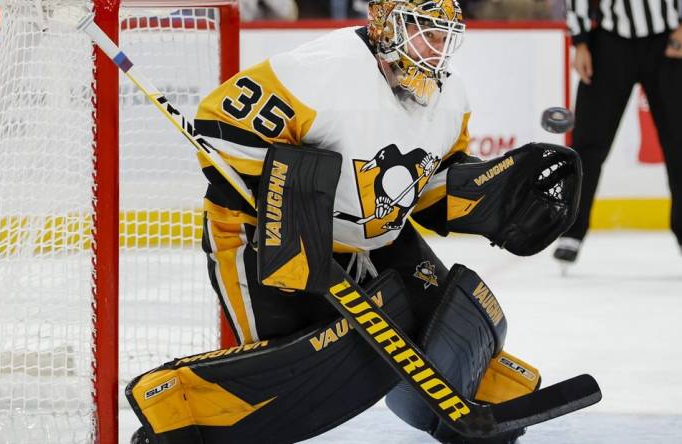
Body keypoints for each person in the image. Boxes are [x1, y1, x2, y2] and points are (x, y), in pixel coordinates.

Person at [127, 1, 584, 443]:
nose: (436, 49)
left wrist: (490, 196)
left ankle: (481, 400)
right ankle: (177, 410)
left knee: (456, 322)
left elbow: (425, 190)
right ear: (387, 26)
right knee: (300, 365)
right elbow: (218, 125)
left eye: (446, 37)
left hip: (370, 236)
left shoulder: (452, 94)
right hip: (264, 234)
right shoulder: (321, 71)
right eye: (425, 32)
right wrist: (294, 203)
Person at [554, 0, 682, 264]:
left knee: (679, 141)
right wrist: (580, 42)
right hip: (611, 40)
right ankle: (572, 230)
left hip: (668, 39)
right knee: (588, 141)